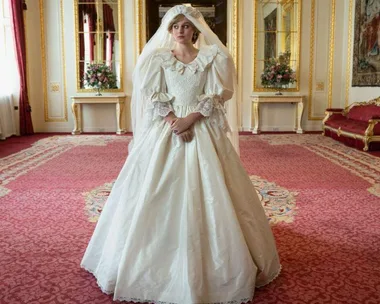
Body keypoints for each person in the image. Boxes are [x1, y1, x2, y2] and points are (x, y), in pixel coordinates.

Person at [81, 5, 281, 304]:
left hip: (201, 128)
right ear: (169, 29)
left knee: (216, 193)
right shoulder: (158, 59)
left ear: (195, 29)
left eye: (185, 25)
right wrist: (175, 121)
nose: (180, 30)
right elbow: (152, 95)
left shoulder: (214, 57)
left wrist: (192, 119)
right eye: (175, 25)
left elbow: (218, 95)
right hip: (168, 129)